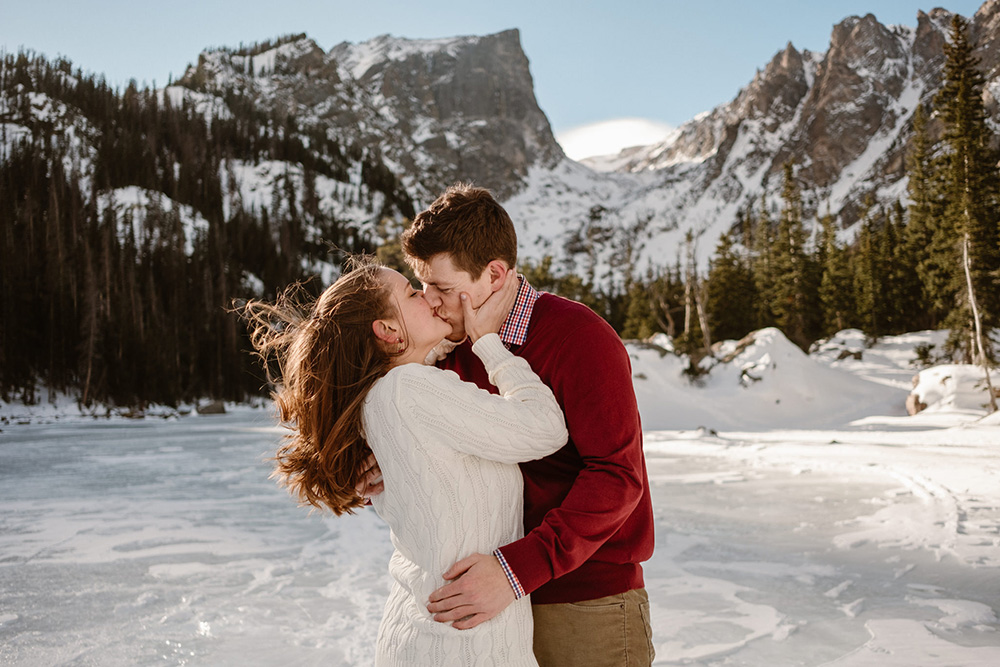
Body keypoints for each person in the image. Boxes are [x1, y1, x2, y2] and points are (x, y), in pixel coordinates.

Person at [371, 182, 657, 666]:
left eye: (441, 287)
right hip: (491, 610)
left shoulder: (579, 338)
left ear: (495, 274)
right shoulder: (448, 354)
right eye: (421, 287)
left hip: (583, 603)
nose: (430, 302)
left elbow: (617, 475)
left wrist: (515, 571)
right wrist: (376, 463)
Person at [242, 257, 568, 666]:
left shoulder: (383, 396)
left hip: (432, 635)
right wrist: (488, 343)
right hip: (460, 646)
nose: (429, 298)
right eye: (413, 293)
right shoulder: (410, 390)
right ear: (389, 330)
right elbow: (546, 428)